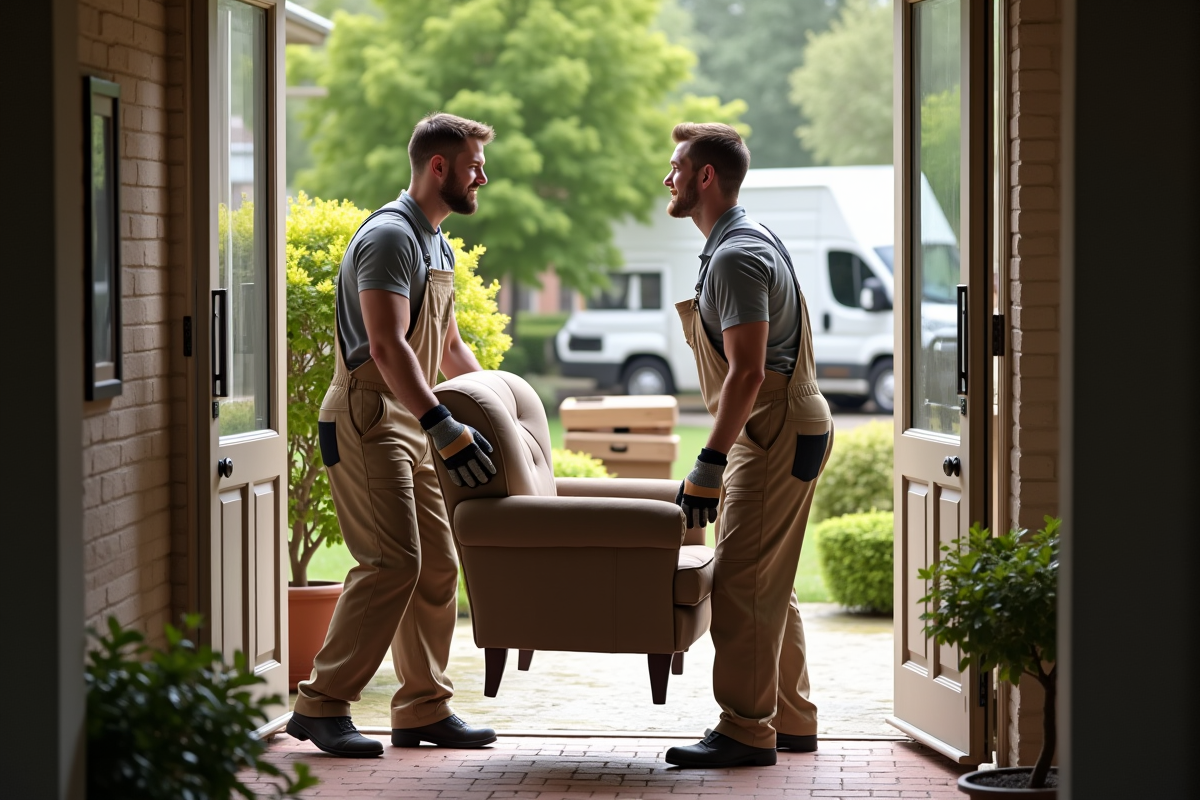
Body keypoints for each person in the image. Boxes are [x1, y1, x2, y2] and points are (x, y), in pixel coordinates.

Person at [287, 113, 500, 758]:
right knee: (390, 561)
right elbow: (386, 346)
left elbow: (449, 347)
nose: (482, 177)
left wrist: (496, 408)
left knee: (437, 563)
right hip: (369, 415)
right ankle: (321, 703)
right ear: (438, 167)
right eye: (473, 166)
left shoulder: (436, 243)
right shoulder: (388, 238)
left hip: (416, 416)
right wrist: (443, 423)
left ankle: (423, 707)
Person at [661, 123, 834, 768]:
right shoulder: (744, 240)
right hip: (785, 423)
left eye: (677, 168)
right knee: (769, 580)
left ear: (706, 176)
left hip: (772, 428)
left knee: (740, 584)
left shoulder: (735, 256)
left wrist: (708, 462)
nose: (668, 179)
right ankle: (790, 718)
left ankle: (745, 728)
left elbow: (747, 371)